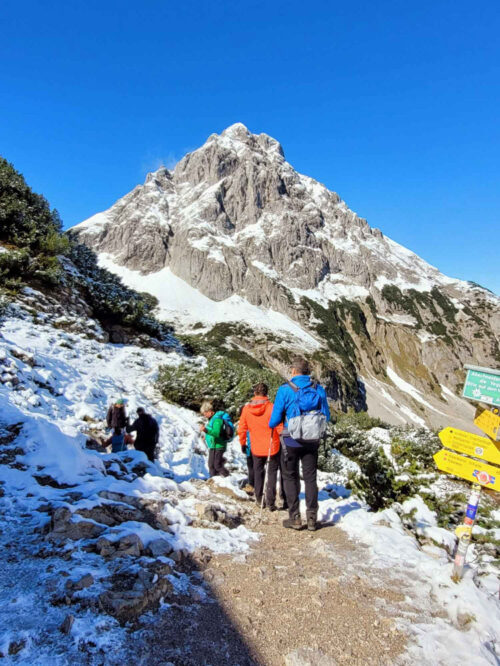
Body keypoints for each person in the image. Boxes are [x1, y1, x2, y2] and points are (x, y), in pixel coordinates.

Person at [269, 357, 330, 531]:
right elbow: (327, 416)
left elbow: (273, 422)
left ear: (294, 371)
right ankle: (312, 518)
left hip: (291, 440)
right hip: (312, 440)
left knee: (290, 476)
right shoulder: (318, 390)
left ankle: (295, 517)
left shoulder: (285, 390)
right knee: (310, 478)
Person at [238, 383, 281, 510]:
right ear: (266, 393)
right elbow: (279, 426)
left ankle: (259, 498)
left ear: (254, 393)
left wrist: (242, 443)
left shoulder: (246, 409)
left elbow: (242, 428)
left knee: (258, 471)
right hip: (271, 446)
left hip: (256, 446)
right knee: (272, 473)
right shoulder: (272, 407)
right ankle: (271, 501)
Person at [199, 400, 233, 477]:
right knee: (211, 465)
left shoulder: (217, 420)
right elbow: (213, 432)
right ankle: (213, 480)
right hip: (213, 445)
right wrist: (207, 436)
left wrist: (206, 430)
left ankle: (228, 478)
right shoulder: (212, 419)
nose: (204, 415)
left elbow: (217, 433)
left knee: (217, 465)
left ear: (210, 411)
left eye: (205, 413)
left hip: (219, 445)